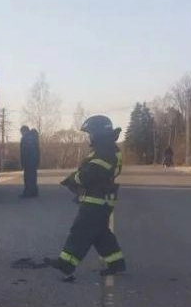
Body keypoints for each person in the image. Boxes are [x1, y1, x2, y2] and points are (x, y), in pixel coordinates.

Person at [45, 115, 126, 279]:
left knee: (80, 231)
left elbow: (88, 174)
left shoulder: (105, 151)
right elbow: (90, 171)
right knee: (100, 234)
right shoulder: (106, 149)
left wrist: (72, 179)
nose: (90, 137)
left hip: (95, 200)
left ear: (98, 133)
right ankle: (117, 263)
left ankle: (66, 264)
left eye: (91, 133)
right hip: (101, 199)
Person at [19, 125, 41, 197]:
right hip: (34, 160)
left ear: (24, 131)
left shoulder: (25, 138)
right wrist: (38, 160)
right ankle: (34, 192)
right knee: (33, 177)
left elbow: (23, 152)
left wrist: (22, 163)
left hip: (27, 161)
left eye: (21, 132)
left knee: (27, 177)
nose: (21, 134)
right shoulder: (34, 137)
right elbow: (38, 150)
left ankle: (27, 193)